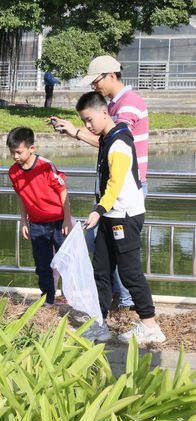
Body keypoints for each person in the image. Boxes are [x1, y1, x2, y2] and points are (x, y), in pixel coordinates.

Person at [53, 55, 149, 309]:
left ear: (111, 75)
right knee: (104, 261)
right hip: (111, 197)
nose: (94, 87)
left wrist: (76, 132)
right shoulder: (114, 106)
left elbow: (113, 145)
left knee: (127, 266)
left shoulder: (127, 107)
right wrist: (76, 130)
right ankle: (107, 311)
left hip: (123, 196)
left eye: (96, 82)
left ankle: (131, 307)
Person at [77, 91, 165, 344]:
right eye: (83, 121)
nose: (87, 126)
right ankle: (99, 323)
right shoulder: (108, 138)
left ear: (104, 113)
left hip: (123, 216)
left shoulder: (118, 144)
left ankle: (150, 326)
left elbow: (115, 184)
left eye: (89, 120)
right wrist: (102, 211)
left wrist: (98, 209)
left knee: (129, 273)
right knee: (101, 270)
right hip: (109, 214)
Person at [7, 127, 72, 305]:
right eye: (12, 152)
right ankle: (48, 299)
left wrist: (67, 219)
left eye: (18, 152)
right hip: (36, 223)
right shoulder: (13, 172)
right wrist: (23, 220)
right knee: (42, 265)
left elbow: (63, 191)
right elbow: (21, 196)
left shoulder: (46, 166)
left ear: (31, 149)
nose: (15, 156)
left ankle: (69, 296)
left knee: (66, 262)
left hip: (58, 222)